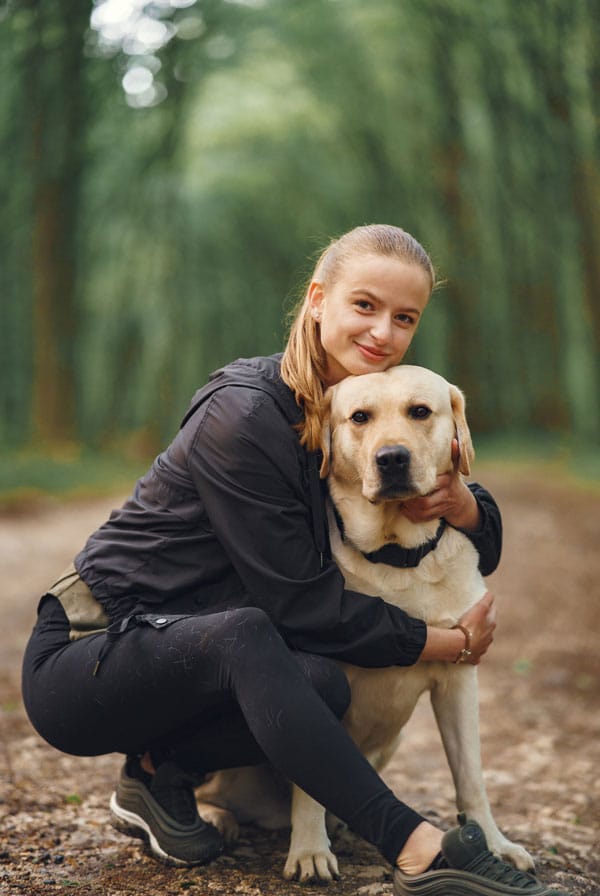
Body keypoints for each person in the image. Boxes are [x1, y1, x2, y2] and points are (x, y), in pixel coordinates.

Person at [22, 224, 568, 896]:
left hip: (186, 659)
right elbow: (301, 604)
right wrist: (446, 641)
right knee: (256, 632)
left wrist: (465, 506)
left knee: (321, 682)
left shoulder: (350, 416)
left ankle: (159, 772)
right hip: (90, 648)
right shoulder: (243, 415)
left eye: (404, 317)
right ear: (318, 301)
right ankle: (416, 845)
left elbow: (455, 518)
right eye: (364, 306)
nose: (382, 333)